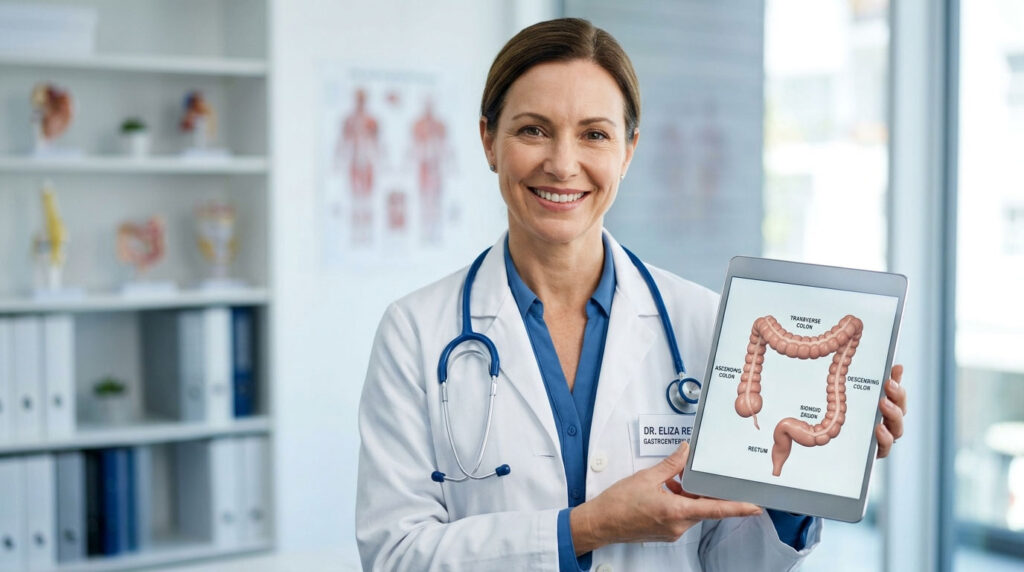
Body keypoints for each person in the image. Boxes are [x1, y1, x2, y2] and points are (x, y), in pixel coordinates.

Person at [356, 18, 908, 571]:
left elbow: (732, 563)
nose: (563, 163)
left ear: (628, 151)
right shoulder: (416, 332)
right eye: (533, 130)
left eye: (594, 134)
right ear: (488, 141)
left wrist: (803, 482)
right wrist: (591, 527)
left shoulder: (704, 322)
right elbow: (395, 556)